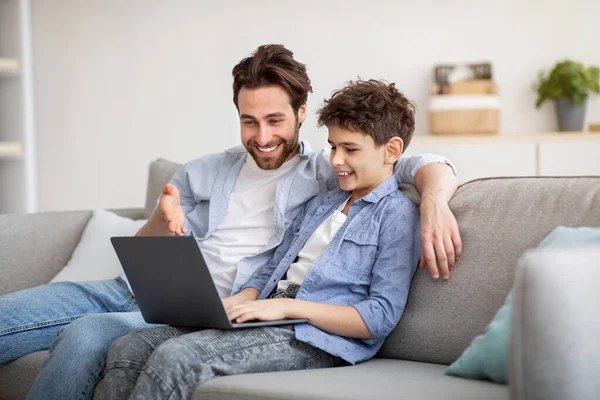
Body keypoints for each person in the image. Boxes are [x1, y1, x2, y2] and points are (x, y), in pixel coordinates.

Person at [0, 45, 459, 400]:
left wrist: (434, 199)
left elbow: (403, 163)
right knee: (32, 324)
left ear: (302, 114)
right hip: (133, 288)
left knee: (95, 338)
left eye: (275, 120)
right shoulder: (213, 172)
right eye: (249, 121)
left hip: (258, 318)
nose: (262, 137)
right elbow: (263, 265)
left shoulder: (328, 175)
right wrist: (165, 220)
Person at [104, 78, 422, 400]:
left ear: (392, 150)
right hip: (268, 317)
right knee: (130, 347)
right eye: (333, 147)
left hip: (314, 337)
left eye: (350, 149)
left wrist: (286, 307)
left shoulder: (397, 215)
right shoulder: (324, 202)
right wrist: (235, 302)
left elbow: (379, 317)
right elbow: (273, 265)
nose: (336, 160)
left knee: (177, 358)